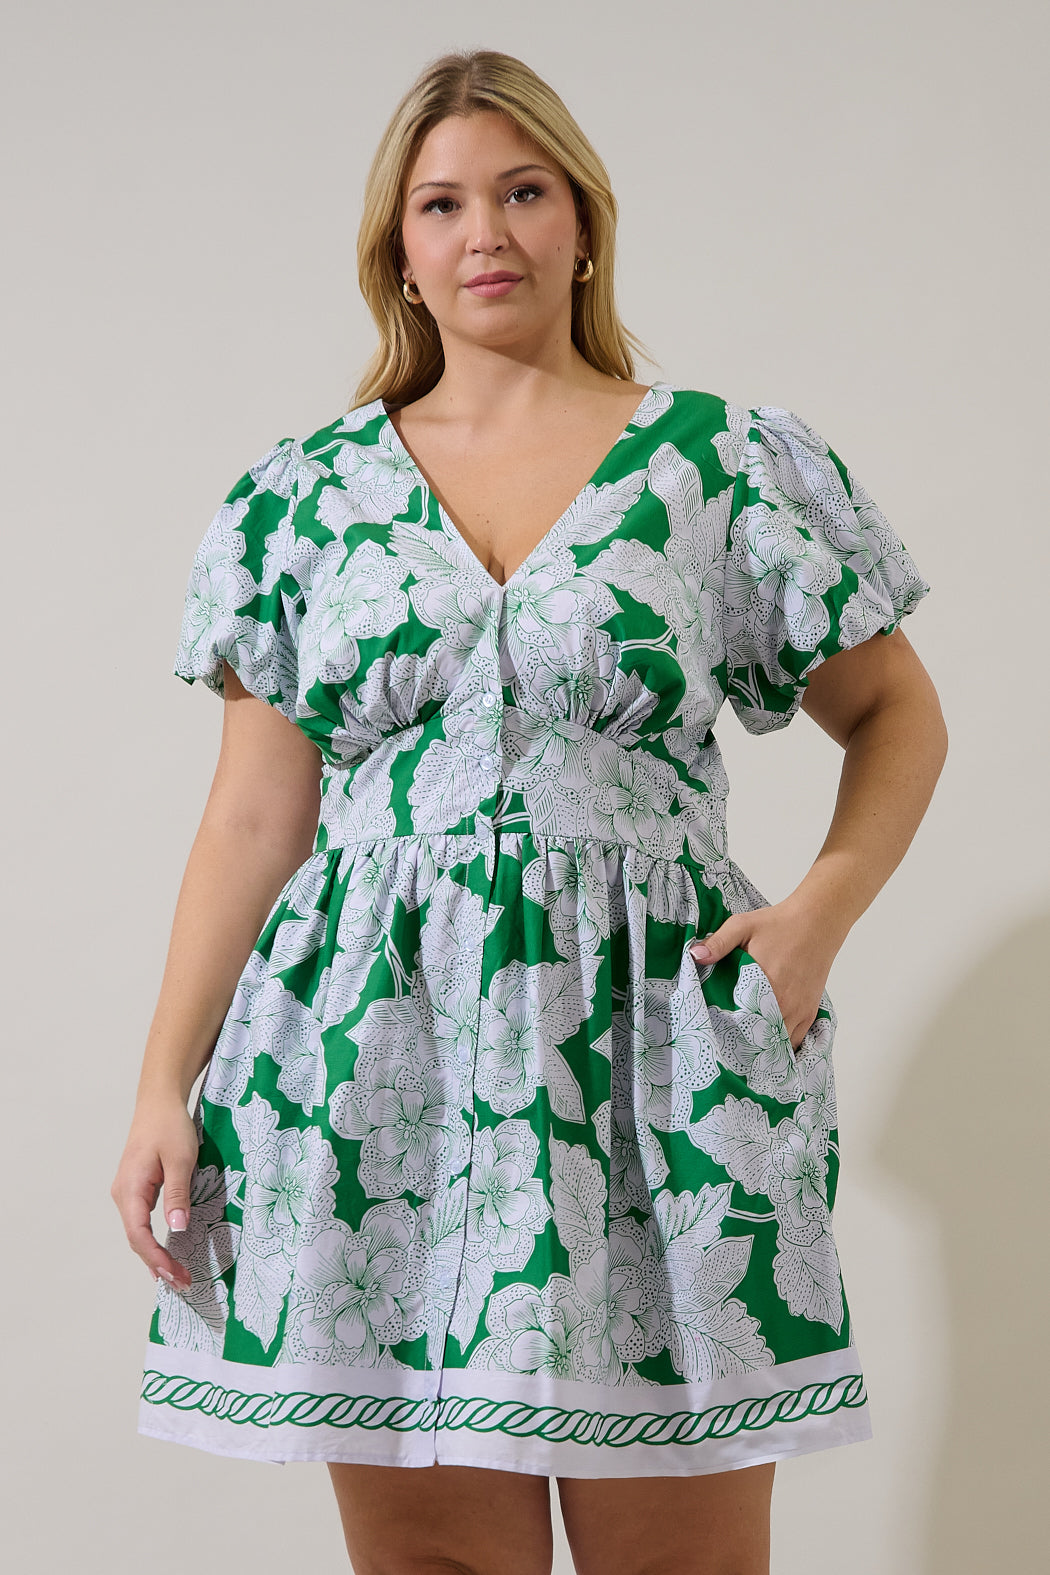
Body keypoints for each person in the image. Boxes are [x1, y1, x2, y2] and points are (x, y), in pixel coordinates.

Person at [111, 46, 947, 1575]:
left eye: (521, 191)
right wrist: (163, 1085)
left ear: (581, 224)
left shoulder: (719, 465)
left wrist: (816, 915)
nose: (483, 230)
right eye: (440, 204)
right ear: (398, 251)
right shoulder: (300, 499)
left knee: (682, 1563)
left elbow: (896, 712)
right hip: (375, 1059)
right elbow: (250, 821)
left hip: (655, 1050)